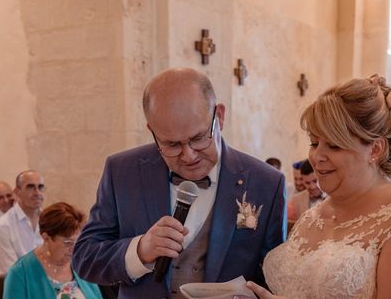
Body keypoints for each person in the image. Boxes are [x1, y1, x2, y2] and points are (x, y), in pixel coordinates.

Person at [73, 67, 285, 298]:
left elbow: (272, 278)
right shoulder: (122, 171)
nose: (189, 155)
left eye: (198, 138)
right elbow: (85, 258)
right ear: (152, 131)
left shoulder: (266, 183)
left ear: (220, 116)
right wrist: (140, 251)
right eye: (172, 145)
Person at [247, 74, 391, 299]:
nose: (317, 156)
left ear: (375, 149)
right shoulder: (314, 215)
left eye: (334, 145)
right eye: (314, 142)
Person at [3, 202, 102, 299]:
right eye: (68, 243)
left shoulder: (82, 265)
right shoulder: (20, 273)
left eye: (78, 242)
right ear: (46, 238)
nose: (75, 249)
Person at [0, 170, 45, 273]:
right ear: (17, 192)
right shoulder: (3, 226)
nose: (37, 193)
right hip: (21, 284)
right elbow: (12, 272)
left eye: (40, 187)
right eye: (30, 187)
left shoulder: (51, 220)